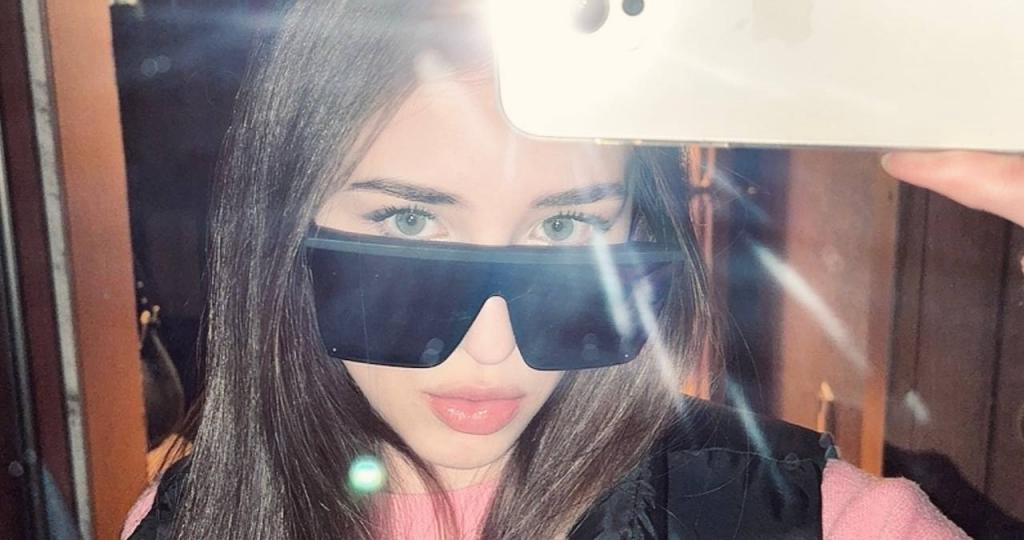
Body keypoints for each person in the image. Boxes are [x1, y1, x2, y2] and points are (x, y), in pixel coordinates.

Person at [120, 2, 1022, 538]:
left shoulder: (816, 518)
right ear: (283, 237)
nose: (493, 346)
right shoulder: (185, 518)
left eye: (562, 230)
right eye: (409, 223)